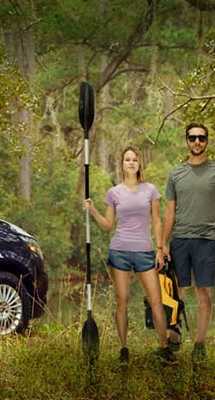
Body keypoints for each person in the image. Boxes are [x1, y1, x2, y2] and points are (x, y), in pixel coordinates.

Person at [161, 122, 215, 363]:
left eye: (201, 138)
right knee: (175, 291)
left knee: (203, 292)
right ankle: (174, 339)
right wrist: (162, 244)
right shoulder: (176, 174)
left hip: (205, 240)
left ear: (207, 141)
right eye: (192, 138)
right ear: (186, 141)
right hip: (180, 239)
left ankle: (199, 344)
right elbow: (169, 213)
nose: (197, 142)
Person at [83, 146, 175, 364]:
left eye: (135, 159)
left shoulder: (150, 190)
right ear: (122, 164)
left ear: (139, 164)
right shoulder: (114, 193)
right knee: (122, 301)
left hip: (145, 252)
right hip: (120, 252)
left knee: (156, 300)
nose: (131, 163)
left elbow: (157, 220)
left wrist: (160, 249)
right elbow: (107, 226)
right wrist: (93, 210)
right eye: (127, 159)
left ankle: (164, 348)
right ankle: (124, 349)